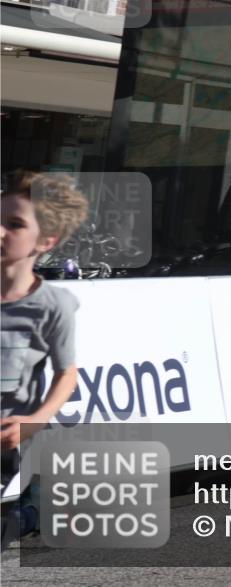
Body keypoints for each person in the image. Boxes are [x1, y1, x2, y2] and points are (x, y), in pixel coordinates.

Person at [2, 171, 87, 540]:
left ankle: (29, 515)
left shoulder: (54, 306)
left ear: (46, 240)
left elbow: (66, 372)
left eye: (14, 225)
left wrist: (35, 420)